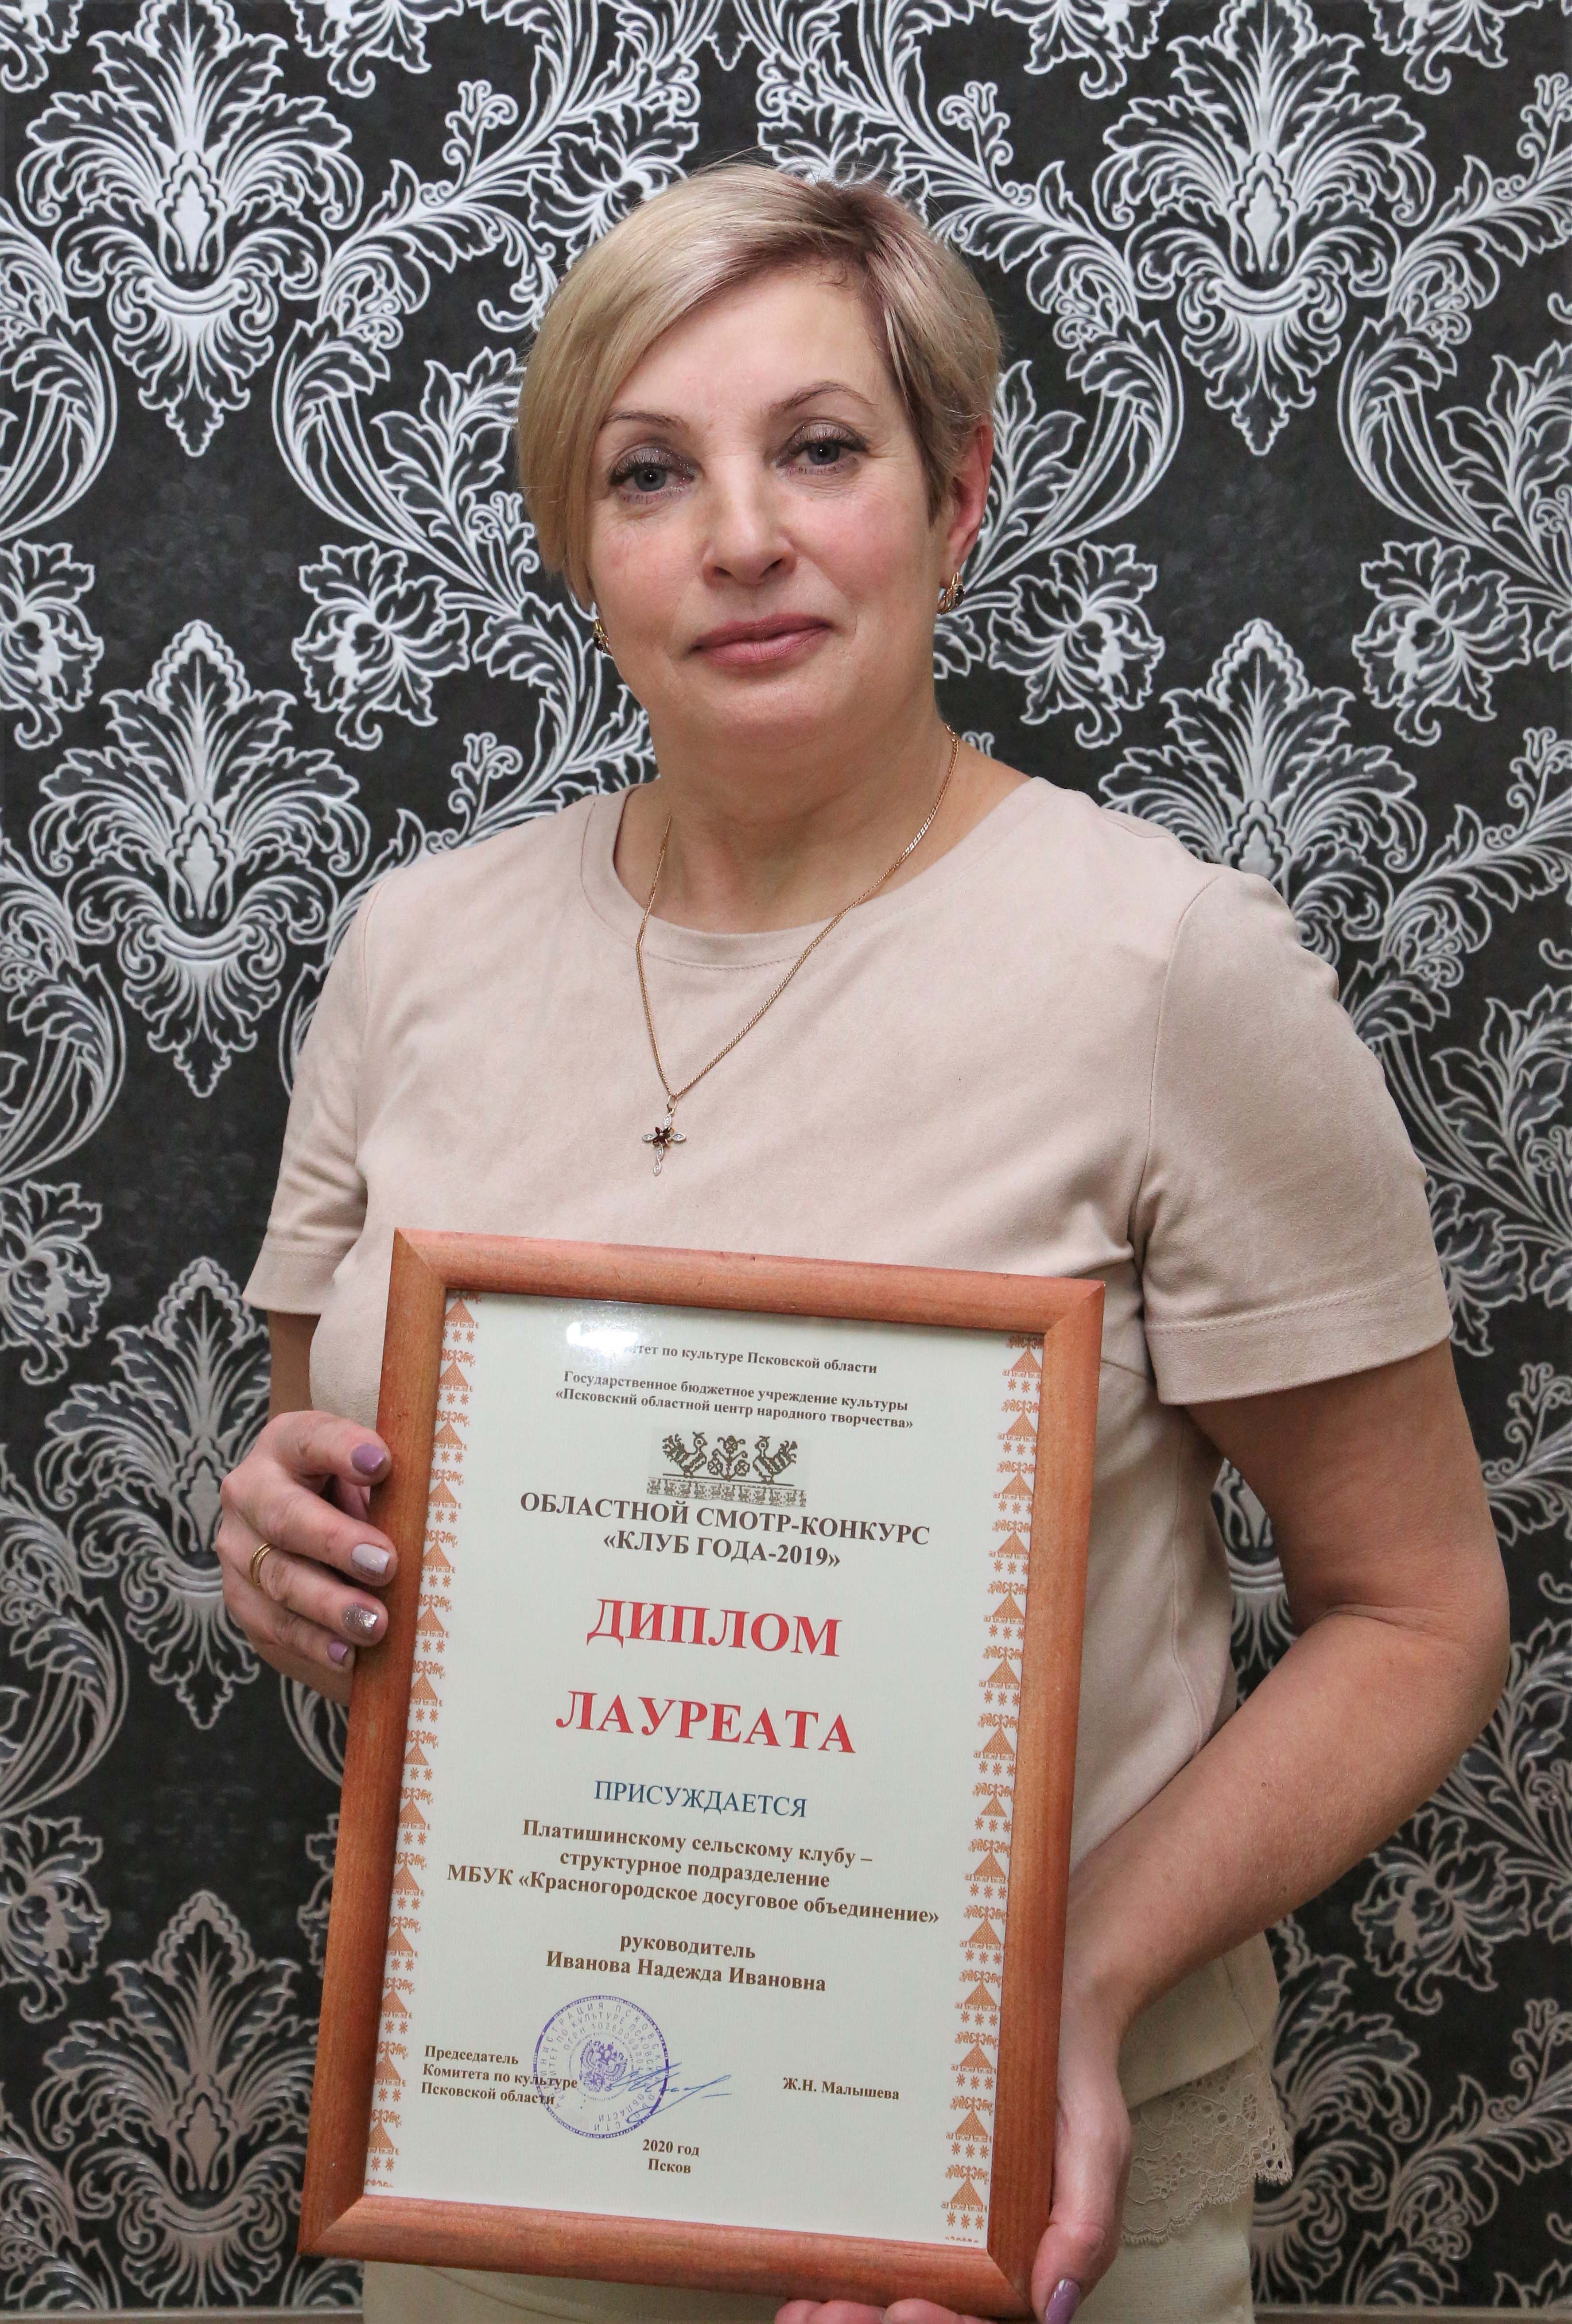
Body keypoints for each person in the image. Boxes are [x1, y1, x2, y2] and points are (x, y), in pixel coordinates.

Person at [220, 165, 1508, 2324]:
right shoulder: (411, 952)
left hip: (1019, 2174)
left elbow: (1421, 1613)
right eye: (651, 472)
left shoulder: (1169, 967)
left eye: (820, 448)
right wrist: (283, 1551)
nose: (743, 535)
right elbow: (329, 1500)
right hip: (511, 2141)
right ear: (577, 544)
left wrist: (1067, 1987)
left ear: (956, 493)